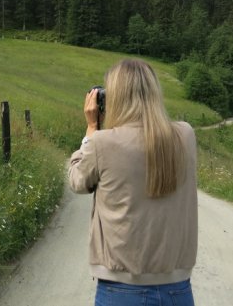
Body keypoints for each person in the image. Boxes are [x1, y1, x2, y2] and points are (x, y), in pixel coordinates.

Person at [68, 58, 198, 306]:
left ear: (114, 98)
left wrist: (91, 129)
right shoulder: (186, 135)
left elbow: (77, 181)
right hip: (177, 289)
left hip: (120, 290)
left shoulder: (102, 143)